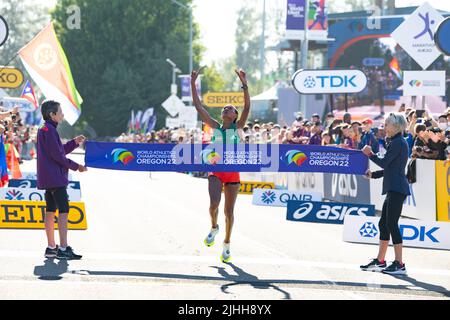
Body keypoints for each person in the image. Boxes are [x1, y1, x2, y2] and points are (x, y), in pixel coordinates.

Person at [191, 67, 250, 263]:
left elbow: (247, 107)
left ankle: (226, 244)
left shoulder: (238, 127)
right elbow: (199, 107)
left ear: (235, 116)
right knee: (213, 205)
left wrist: (244, 85)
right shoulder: (215, 126)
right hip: (216, 170)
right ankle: (214, 227)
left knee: (229, 212)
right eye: (225, 107)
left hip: (232, 173)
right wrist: (193, 83)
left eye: (231, 108)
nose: (226, 108)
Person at [37, 100, 88, 260]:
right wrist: (77, 166)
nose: (63, 114)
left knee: (50, 211)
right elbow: (58, 155)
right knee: (64, 211)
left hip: (48, 178)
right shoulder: (50, 130)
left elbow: (58, 150)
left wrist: (74, 143)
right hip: (55, 178)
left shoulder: (44, 128)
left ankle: (51, 247)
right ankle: (64, 248)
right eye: (60, 112)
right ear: (52, 114)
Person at [361, 113, 410, 275]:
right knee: (384, 224)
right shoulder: (396, 142)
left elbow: (384, 162)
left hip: (397, 188)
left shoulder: (398, 142)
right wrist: (373, 175)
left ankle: (399, 263)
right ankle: (381, 261)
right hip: (393, 188)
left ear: (395, 126)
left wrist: (370, 154)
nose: (384, 128)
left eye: (386, 124)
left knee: (391, 224)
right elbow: (390, 167)